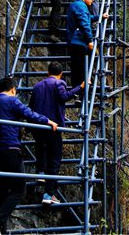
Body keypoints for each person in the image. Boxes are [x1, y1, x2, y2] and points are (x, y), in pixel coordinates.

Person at [0, 77, 58, 235]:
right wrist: (47, 120)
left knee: (1, 190)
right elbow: (29, 114)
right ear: (13, 90)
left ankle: (0, 229)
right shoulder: (11, 101)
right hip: (9, 148)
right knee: (19, 189)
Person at [29, 63, 84, 205]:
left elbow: (31, 106)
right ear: (61, 73)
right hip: (53, 128)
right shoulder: (59, 83)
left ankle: (40, 172)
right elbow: (64, 96)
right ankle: (48, 194)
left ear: (48, 72)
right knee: (54, 159)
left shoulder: (37, 86)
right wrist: (80, 87)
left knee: (41, 150)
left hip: (37, 125)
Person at [65, 0, 106, 87]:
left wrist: (99, 16)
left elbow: (86, 18)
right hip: (79, 41)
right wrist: (90, 40)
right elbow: (84, 24)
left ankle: (78, 92)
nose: (93, 0)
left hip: (75, 40)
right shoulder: (81, 6)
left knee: (77, 68)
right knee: (80, 68)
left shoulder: (78, 5)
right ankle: (81, 92)